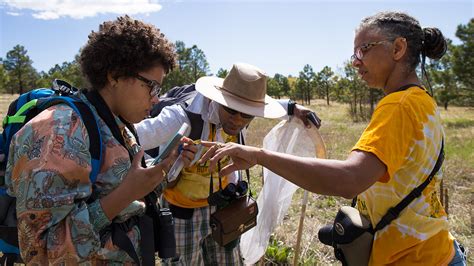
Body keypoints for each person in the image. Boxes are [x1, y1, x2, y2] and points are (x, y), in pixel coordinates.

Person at [200, 11, 467, 265]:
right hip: (433, 249)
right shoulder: (422, 100)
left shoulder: (398, 106)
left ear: (398, 49)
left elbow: (349, 179)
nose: (355, 61)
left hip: (413, 259)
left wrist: (259, 156)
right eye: (354, 52)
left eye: (364, 49)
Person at [5, 15, 196, 264]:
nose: (156, 98)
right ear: (114, 75)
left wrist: (167, 169)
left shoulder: (119, 125)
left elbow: (128, 189)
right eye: (151, 86)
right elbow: (39, 252)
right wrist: (126, 194)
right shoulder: (56, 131)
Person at [135, 62, 319, 265]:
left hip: (225, 207)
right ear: (218, 100)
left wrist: (293, 108)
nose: (238, 120)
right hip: (183, 213)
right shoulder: (180, 117)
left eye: (247, 114)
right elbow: (135, 135)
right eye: (231, 110)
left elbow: (268, 104)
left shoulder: (242, 114)